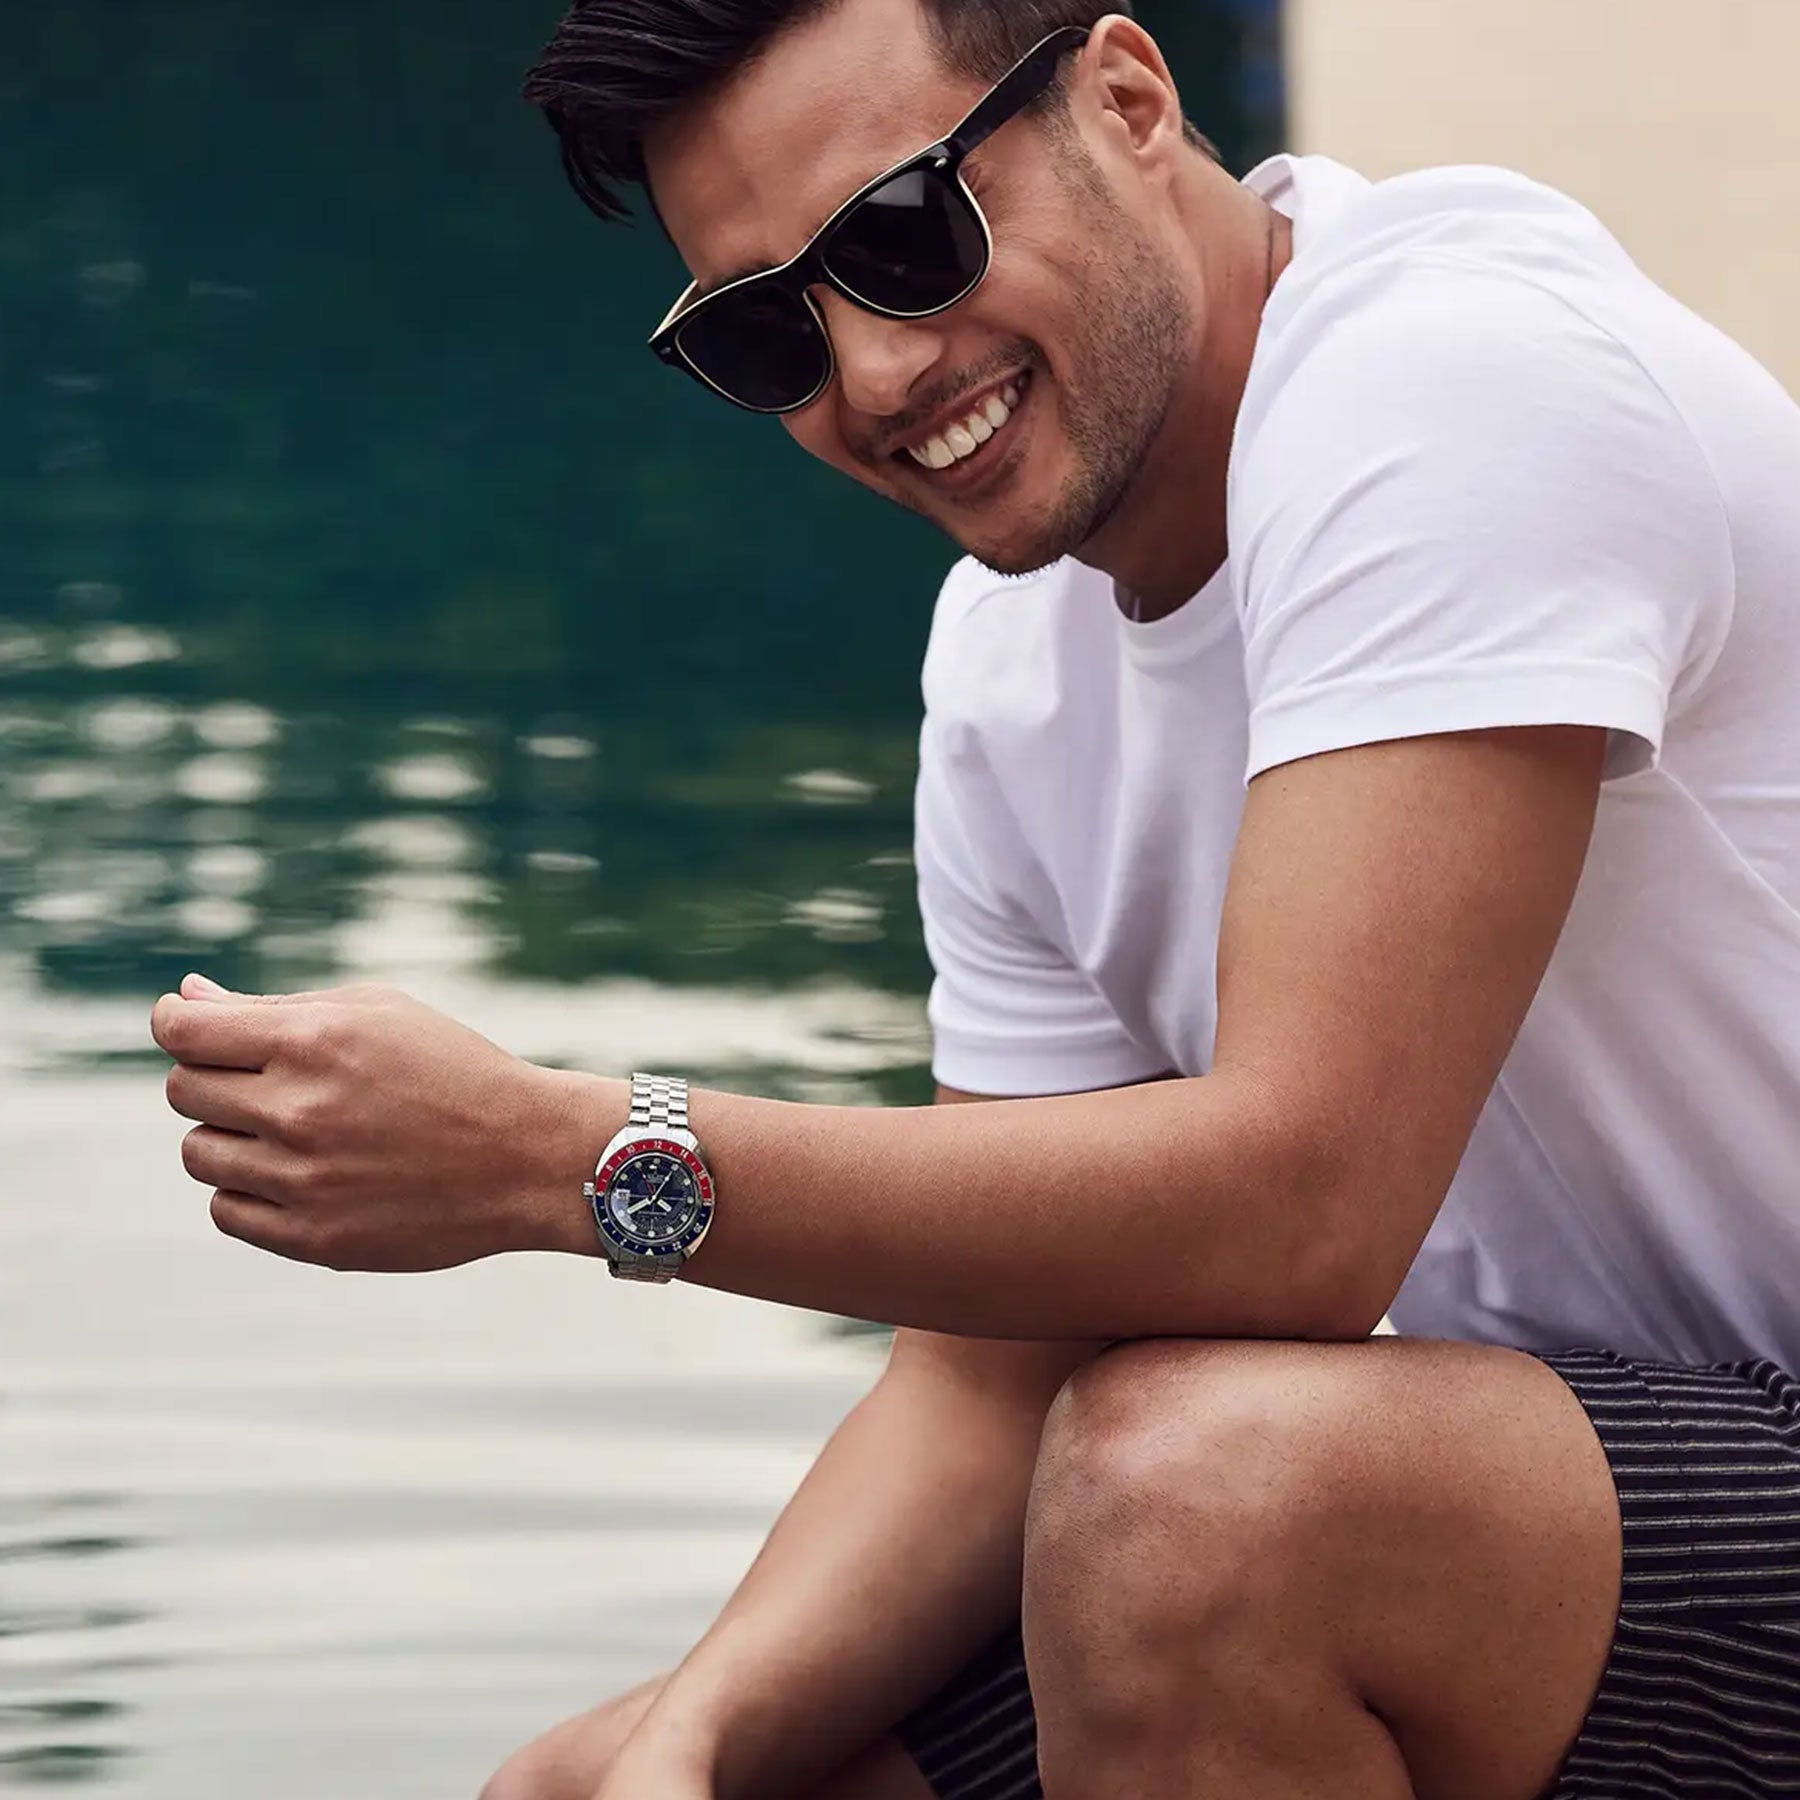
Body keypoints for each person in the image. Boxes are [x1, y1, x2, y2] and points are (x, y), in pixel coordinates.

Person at [147, 0, 1800, 1794]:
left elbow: (1303, 1213)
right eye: (769, 332)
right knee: (599, 1783)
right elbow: (985, 1384)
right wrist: (683, 1749)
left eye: (904, 236)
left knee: (1207, 1500)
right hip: (1639, 1477)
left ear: (1128, 96)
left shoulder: (1457, 386)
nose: (870, 373)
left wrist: (570, 1161)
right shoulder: (1018, 662)